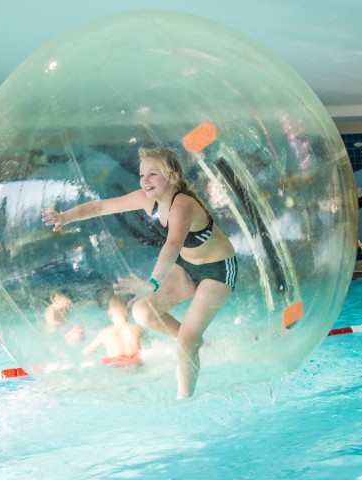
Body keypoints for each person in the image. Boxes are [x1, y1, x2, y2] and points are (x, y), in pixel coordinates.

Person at [42, 147, 237, 398]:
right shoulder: (147, 200)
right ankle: (191, 341)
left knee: (186, 341)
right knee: (142, 312)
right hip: (188, 267)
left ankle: (183, 400)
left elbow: (173, 244)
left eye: (153, 174)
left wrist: (152, 282)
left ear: (173, 178)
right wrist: (65, 217)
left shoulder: (183, 205)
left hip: (217, 270)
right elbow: (99, 207)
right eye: (142, 174)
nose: (145, 180)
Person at [82, 295, 143, 367]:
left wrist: (81, 336)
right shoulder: (137, 329)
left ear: (109, 314)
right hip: (135, 363)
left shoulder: (104, 333)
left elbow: (87, 352)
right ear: (129, 311)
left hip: (116, 365)